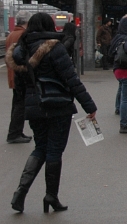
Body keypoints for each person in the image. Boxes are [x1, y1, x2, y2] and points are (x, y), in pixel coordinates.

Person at [9, 12, 97, 213]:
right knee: (55, 150)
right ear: (50, 26)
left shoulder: (21, 50)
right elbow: (71, 79)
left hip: (34, 108)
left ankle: (20, 193)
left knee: (40, 147)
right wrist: (89, 106)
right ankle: (51, 196)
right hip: (58, 106)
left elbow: (20, 86)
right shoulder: (54, 48)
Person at [5, 10, 32, 144]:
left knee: (17, 104)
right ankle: (14, 133)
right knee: (20, 105)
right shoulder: (23, 35)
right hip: (20, 75)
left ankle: (16, 131)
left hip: (13, 74)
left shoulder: (12, 34)